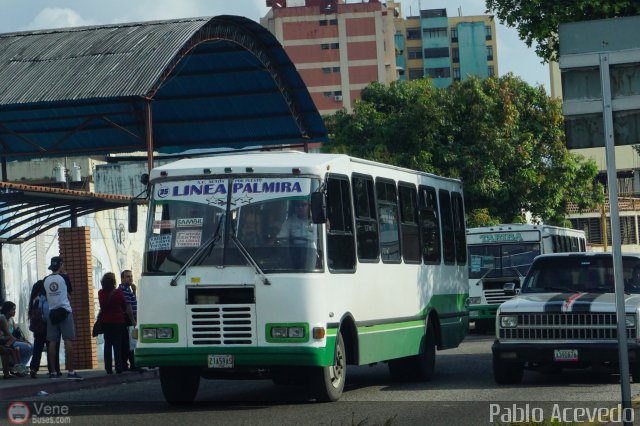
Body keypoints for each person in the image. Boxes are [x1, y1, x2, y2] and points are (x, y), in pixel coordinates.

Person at [44, 256, 82, 380]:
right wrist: (64, 273)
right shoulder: (64, 278)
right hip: (65, 312)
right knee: (68, 340)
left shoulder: (46, 280)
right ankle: (71, 371)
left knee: (52, 342)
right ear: (61, 264)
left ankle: (53, 372)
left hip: (52, 313)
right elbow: (69, 294)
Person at [99, 272, 134, 374]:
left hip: (106, 321)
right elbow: (124, 305)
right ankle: (119, 366)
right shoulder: (118, 292)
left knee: (107, 345)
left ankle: (108, 368)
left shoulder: (101, 293)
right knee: (117, 345)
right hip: (118, 321)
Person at [28, 279, 58, 379]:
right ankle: (52, 369)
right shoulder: (44, 297)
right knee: (51, 347)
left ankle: (33, 368)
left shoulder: (33, 299)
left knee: (37, 349)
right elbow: (46, 312)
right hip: (46, 326)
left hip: (37, 327)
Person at [0, 301, 32, 376]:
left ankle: (19, 367)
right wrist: (23, 342)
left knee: (31, 346)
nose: (15, 311)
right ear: (8, 310)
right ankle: (17, 367)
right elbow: (8, 334)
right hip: (6, 341)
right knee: (27, 347)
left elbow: (16, 332)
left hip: (12, 340)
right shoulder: (2, 318)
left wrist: (24, 340)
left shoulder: (11, 319)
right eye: (13, 309)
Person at [118, 270, 138, 371]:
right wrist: (133, 320)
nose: (130, 278)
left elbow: (132, 301)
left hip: (129, 318)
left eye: (131, 276)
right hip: (128, 319)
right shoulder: (124, 290)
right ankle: (133, 364)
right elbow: (128, 307)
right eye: (127, 277)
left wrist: (134, 291)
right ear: (122, 279)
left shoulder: (127, 289)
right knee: (131, 342)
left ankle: (129, 364)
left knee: (130, 342)